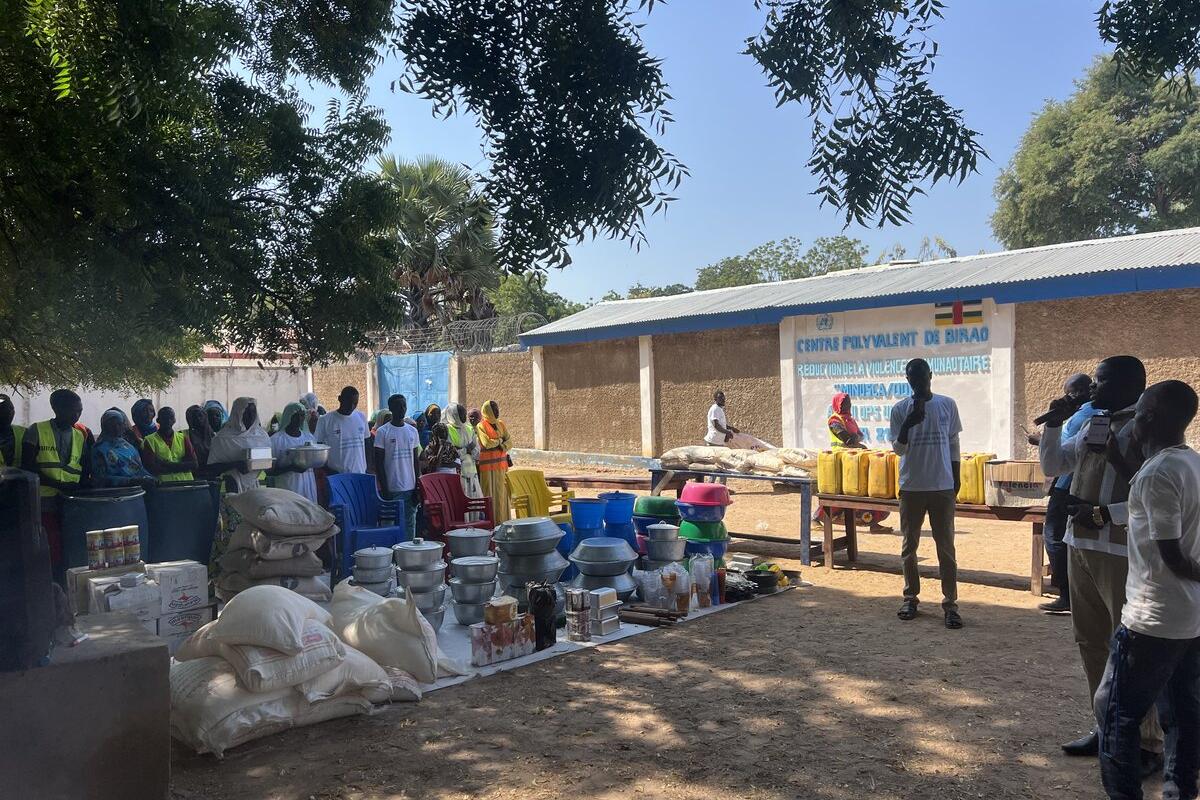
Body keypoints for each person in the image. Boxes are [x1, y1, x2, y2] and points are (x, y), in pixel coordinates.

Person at [1039, 356, 1163, 767]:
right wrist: (1054, 425)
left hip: (1121, 551)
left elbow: (1157, 493)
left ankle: (1146, 742)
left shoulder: (1149, 427)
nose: (1092, 387)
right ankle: (1106, 724)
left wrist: (1104, 513)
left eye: (1101, 380)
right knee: (1090, 641)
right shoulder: (1095, 420)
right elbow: (1055, 465)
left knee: (1130, 649)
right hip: (1080, 545)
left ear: (1131, 384)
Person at [1093, 380, 1200, 800]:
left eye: (1138, 412)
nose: (1132, 421)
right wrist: (1119, 462)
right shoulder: (1188, 463)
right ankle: (1179, 789)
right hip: (1189, 617)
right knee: (1182, 710)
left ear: (1150, 417)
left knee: (1114, 711)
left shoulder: (1158, 473)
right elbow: (1147, 504)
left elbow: (1172, 556)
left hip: (1152, 619)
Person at [890, 358, 963, 629]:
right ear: (907, 380)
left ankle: (950, 604)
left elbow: (953, 443)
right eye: (913, 379)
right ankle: (910, 598)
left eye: (922, 377)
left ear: (931, 375)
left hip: (942, 486)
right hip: (912, 487)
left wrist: (955, 477)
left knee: (946, 548)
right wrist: (908, 424)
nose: (918, 383)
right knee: (909, 548)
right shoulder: (900, 409)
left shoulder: (947, 405)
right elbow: (899, 450)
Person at [1030, 373, 1095, 614]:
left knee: (1055, 537)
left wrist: (1041, 440)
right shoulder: (1086, 414)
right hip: (1071, 483)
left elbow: (1060, 456)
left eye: (1069, 393)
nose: (1066, 397)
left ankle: (1067, 594)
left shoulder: (1085, 416)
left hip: (1067, 485)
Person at [22, 389, 93, 574]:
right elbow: (27, 467)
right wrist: (58, 484)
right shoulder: (36, 430)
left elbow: (84, 467)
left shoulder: (80, 435)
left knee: (70, 542)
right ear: (57, 408)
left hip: (70, 501)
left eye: (80, 411)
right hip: (43, 500)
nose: (77, 415)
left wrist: (81, 487)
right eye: (73, 411)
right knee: (49, 545)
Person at [206, 397, 271, 571]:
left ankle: (251, 569)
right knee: (232, 532)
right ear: (237, 413)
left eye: (252, 413)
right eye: (246, 413)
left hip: (255, 489)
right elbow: (211, 468)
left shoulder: (261, 436)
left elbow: (267, 460)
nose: (249, 416)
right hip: (232, 489)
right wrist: (235, 464)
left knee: (254, 532)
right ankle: (228, 571)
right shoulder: (222, 438)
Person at [822, 392, 891, 532]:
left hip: (855, 459)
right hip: (841, 460)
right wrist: (855, 439)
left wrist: (856, 439)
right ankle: (817, 518)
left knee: (865, 489)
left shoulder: (850, 420)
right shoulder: (834, 421)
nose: (848, 405)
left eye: (849, 403)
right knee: (841, 493)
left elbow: (860, 435)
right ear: (837, 405)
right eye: (844, 403)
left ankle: (872, 522)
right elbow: (847, 438)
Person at [374, 394, 420, 537]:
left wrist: (417, 487)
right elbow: (378, 463)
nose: (402, 409)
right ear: (391, 408)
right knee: (389, 526)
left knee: (409, 525)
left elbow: (415, 461)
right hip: (391, 489)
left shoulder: (412, 431)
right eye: (398, 406)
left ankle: (408, 551)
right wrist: (385, 488)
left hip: (410, 488)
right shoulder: (382, 432)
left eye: (404, 405)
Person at [267, 402, 318, 503]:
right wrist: (291, 468)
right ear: (288, 416)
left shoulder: (309, 438)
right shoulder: (276, 440)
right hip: (288, 489)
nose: (299, 419)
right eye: (295, 416)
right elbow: (269, 471)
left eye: (302, 415)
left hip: (308, 487)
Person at [91, 409, 156, 489]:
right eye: (112, 425)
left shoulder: (128, 447)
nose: (116, 428)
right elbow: (100, 478)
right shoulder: (99, 449)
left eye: (119, 424)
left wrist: (150, 478)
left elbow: (139, 469)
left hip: (138, 491)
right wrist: (130, 481)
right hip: (113, 493)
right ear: (104, 426)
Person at [314, 386, 369, 474]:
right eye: (348, 402)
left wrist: (367, 468)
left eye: (355, 403)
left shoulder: (361, 417)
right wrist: (329, 471)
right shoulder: (325, 420)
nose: (351, 406)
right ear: (340, 399)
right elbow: (317, 450)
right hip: (336, 476)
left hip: (360, 474)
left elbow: (367, 446)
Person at [477, 400, 512, 523]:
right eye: (494, 409)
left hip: (502, 467)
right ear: (488, 411)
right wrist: (500, 441)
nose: (497, 411)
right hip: (488, 469)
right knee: (490, 495)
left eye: (497, 409)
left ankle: (504, 522)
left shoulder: (501, 424)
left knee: (503, 495)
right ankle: (492, 524)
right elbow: (486, 443)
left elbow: (510, 441)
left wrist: (501, 444)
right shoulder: (481, 426)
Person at [703, 390, 774, 450]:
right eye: (720, 398)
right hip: (714, 441)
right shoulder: (715, 409)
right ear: (715, 399)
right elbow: (716, 425)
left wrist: (731, 428)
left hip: (719, 441)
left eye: (723, 397)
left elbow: (722, 425)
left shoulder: (719, 409)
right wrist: (727, 432)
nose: (723, 399)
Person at [141, 407, 197, 482]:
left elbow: (194, 464)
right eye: (164, 418)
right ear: (158, 420)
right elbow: (152, 468)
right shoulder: (149, 440)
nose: (168, 420)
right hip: (163, 485)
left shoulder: (183, 438)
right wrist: (183, 465)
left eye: (171, 417)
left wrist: (165, 464)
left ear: (174, 420)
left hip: (186, 483)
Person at [445, 403, 483, 502]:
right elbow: (451, 454)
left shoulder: (469, 429)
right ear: (454, 415)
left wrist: (463, 449)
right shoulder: (447, 430)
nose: (464, 417)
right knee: (460, 499)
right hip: (457, 471)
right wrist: (466, 450)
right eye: (460, 414)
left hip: (471, 471)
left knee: (473, 500)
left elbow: (477, 451)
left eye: (464, 414)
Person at [185, 404, 215, 475]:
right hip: (195, 474)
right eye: (194, 417)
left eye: (200, 416)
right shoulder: (186, 436)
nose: (198, 419)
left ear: (205, 417)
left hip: (213, 472)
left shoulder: (214, 435)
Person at [0, 393, 24, 468]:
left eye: (11, 408)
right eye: (4, 409)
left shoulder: (23, 432)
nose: (10, 412)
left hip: (18, 474)